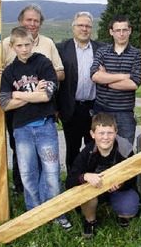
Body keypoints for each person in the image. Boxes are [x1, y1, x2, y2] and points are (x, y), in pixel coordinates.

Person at [0, 27, 71, 230]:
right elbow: (4, 103)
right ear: (12, 46)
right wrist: (26, 96)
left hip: (45, 125)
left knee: (51, 172)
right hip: (21, 129)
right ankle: (34, 215)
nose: (24, 49)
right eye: (19, 45)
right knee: (28, 173)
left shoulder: (43, 63)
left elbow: (46, 95)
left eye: (27, 44)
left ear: (32, 43)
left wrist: (17, 94)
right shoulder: (9, 71)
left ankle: (57, 213)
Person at [1, 4, 64, 195]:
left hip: (43, 112)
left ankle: (48, 199)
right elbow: (0, 76)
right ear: (21, 22)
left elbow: (58, 73)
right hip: (19, 115)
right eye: (28, 20)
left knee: (48, 164)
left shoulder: (47, 45)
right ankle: (22, 190)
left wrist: (19, 92)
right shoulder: (5, 43)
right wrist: (30, 92)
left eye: (36, 21)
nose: (32, 24)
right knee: (20, 153)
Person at [67, 113, 141, 240]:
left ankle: (123, 216)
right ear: (92, 134)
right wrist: (85, 176)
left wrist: (122, 183)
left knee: (129, 208)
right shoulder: (87, 152)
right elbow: (69, 181)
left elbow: (133, 177)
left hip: (118, 190)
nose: (105, 137)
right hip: (95, 191)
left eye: (110, 133)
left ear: (116, 132)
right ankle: (90, 221)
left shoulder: (125, 150)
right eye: (101, 133)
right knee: (84, 193)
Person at [56, 11, 104, 189]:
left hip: (95, 107)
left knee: (94, 146)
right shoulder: (61, 48)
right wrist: (56, 107)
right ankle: (73, 183)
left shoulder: (101, 48)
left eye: (88, 26)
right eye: (80, 25)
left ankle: (93, 182)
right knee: (73, 148)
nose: (84, 29)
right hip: (71, 107)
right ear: (73, 27)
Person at [90, 15, 141, 145]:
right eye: (118, 30)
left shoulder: (137, 54)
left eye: (125, 30)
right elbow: (95, 76)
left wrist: (105, 78)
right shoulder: (102, 52)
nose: (122, 34)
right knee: (102, 152)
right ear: (111, 32)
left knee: (125, 152)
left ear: (130, 30)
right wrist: (124, 76)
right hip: (102, 111)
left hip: (125, 114)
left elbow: (133, 83)